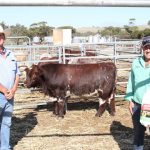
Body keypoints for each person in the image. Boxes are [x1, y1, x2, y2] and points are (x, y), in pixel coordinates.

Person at [124, 36, 150, 150]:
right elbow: (131, 82)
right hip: (138, 104)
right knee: (138, 132)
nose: (148, 50)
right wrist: (130, 100)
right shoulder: (135, 63)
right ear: (142, 48)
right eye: (146, 47)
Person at [0, 25, 20, 150]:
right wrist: (4, 90)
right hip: (1, 94)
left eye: (1, 35)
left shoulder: (11, 54)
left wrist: (13, 90)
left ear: (4, 37)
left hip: (10, 96)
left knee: (6, 123)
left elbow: (17, 74)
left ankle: (5, 147)